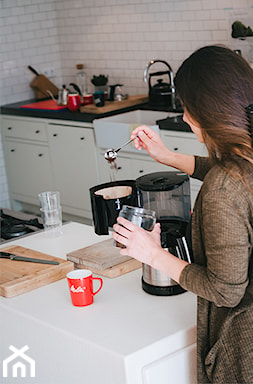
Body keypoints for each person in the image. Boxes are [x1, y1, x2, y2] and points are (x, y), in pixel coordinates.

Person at [112, 45, 253, 384]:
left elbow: (225, 292)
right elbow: (233, 173)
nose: (185, 117)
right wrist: (168, 157)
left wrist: (153, 255)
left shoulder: (222, 190)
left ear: (204, 111)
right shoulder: (244, 158)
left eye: (187, 107)